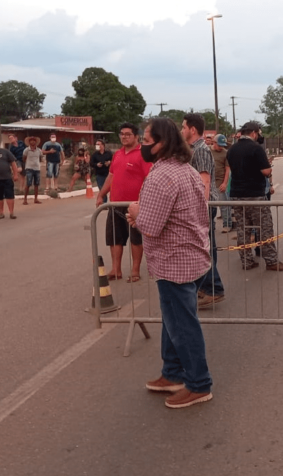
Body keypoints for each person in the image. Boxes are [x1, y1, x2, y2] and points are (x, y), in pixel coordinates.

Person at [126, 117, 213, 410]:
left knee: (182, 325)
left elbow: (150, 225)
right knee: (173, 319)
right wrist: (142, 215)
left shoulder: (162, 175)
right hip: (189, 257)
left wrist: (135, 212)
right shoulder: (185, 170)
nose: (142, 145)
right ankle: (173, 373)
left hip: (174, 261)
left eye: (146, 141)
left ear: (162, 143)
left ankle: (199, 384)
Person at [227, 121, 283, 271]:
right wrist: (268, 166)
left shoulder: (232, 149)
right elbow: (266, 171)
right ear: (254, 133)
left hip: (236, 195)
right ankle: (271, 261)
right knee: (265, 228)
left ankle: (246, 261)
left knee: (243, 229)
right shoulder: (256, 148)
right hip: (254, 195)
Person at [95, 122, 153, 282]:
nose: (124, 137)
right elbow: (111, 176)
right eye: (122, 134)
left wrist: (143, 200)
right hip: (115, 204)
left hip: (134, 206)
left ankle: (135, 271)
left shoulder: (143, 154)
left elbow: (149, 178)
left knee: (136, 239)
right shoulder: (118, 154)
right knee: (114, 238)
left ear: (136, 136)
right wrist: (101, 194)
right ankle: (116, 269)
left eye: (128, 134)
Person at [183, 113, 226, 306]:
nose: (182, 130)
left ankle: (213, 288)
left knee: (204, 247)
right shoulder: (195, 149)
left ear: (192, 129)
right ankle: (206, 285)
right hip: (202, 206)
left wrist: (200, 209)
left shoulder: (200, 150)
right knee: (204, 247)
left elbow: (204, 182)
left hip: (203, 206)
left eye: (184, 127)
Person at [211, 134, 232, 232]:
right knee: (210, 207)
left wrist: (225, 183)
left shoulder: (225, 153)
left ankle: (227, 224)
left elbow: (227, 169)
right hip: (210, 183)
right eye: (219, 145)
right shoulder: (207, 151)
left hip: (220, 183)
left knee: (224, 206)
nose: (221, 147)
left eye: (222, 145)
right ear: (214, 143)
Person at [22, 136, 43, 205]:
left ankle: (36, 199)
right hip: (29, 168)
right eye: (31, 140)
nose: (33, 142)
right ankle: (25, 199)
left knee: (36, 184)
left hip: (37, 168)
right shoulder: (26, 150)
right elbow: (24, 158)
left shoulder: (39, 150)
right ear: (29, 142)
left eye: (34, 140)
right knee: (28, 184)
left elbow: (40, 158)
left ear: (36, 142)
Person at [90, 139, 112, 203]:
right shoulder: (95, 154)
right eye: (96, 144)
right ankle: (104, 204)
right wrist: (96, 164)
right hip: (100, 174)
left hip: (108, 174)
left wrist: (109, 162)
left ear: (103, 145)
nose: (97, 146)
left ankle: (113, 203)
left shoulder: (108, 153)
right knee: (102, 189)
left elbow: (114, 160)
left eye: (98, 144)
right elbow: (91, 163)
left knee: (112, 189)